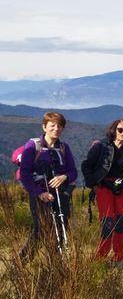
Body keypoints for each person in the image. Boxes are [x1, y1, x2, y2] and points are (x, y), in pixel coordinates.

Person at [81, 119, 123, 266]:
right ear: (113, 130)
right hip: (103, 186)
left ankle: (119, 258)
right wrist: (93, 184)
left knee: (120, 222)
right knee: (108, 222)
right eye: (120, 130)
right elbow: (86, 165)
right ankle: (101, 257)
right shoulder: (101, 146)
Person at [18, 112, 77, 261]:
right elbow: (24, 174)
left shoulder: (64, 148)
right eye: (52, 126)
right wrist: (39, 193)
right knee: (41, 230)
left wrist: (65, 177)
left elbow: (73, 171)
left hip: (60, 195)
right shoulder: (33, 146)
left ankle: (56, 266)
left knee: (61, 229)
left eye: (59, 126)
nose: (56, 129)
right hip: (40, 196)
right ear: (44, 127)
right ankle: (21, 264)